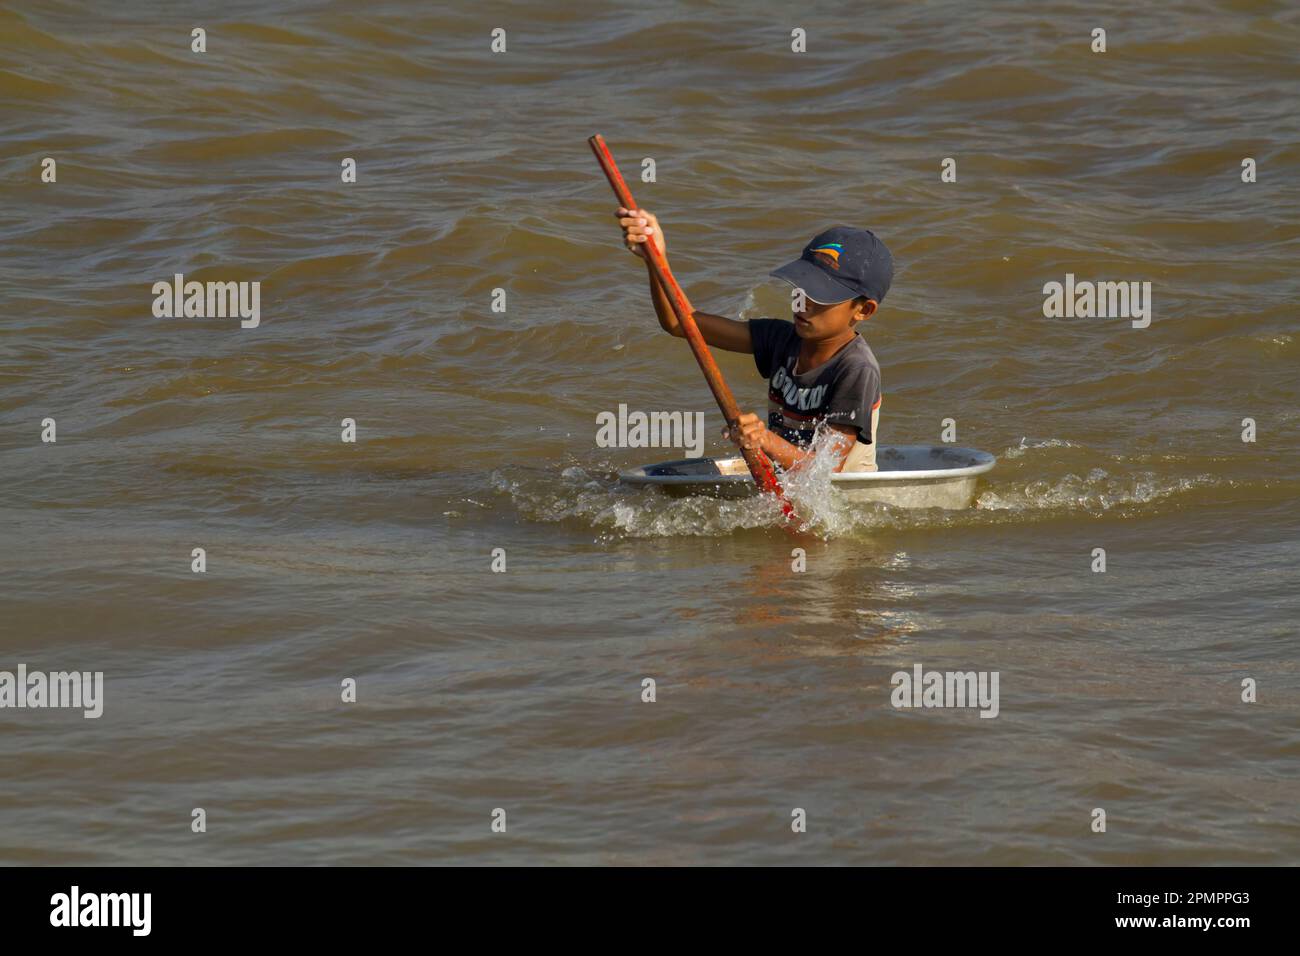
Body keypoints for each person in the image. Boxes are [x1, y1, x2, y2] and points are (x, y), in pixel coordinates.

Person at [617, 208, 892, 472]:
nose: (803, 303)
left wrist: (765, 439)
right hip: (789, 479)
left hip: (842, 496)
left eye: (821, 296)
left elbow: (823, 469)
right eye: (802, 288)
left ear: (863, 310)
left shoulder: (857, 369)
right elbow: (681, 324)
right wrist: (655, 261)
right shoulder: (780, 338)